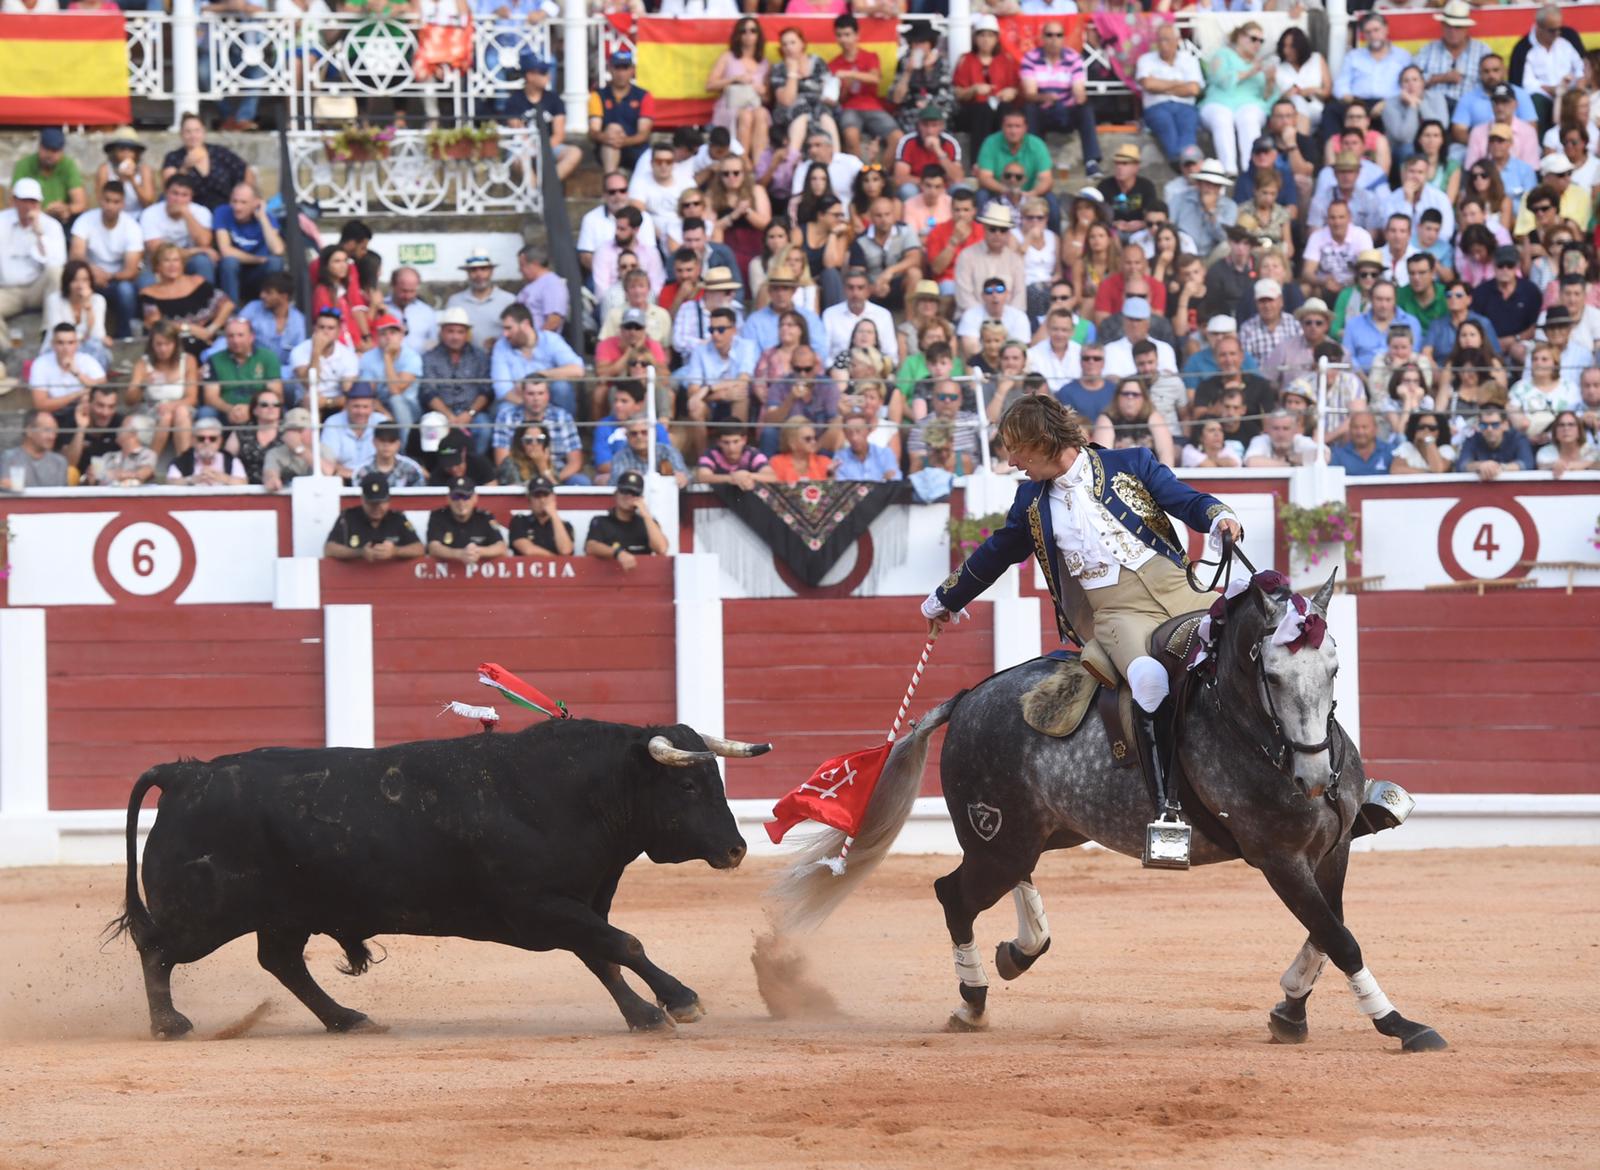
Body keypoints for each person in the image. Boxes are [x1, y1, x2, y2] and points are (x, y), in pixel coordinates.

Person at [925, 394, 1241, 822]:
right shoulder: (1032, 503)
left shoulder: (1131, 462)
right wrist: (947, 597)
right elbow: (997, 553)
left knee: (1259, 645)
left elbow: (1183, 499)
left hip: (1181, 588)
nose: (1014, 460)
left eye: (1017, 449)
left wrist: (1217, 514)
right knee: (1147, 681)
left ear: (1042, 441)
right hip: (1116, 613)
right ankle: (1169, 811)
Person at [1019, 19, 1101, 178]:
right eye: (1049, 35)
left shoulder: (1074, 58)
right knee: (1029, 109)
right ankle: (1035, 163)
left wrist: (1079, 96)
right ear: (1042, 38)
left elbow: (1078, 90)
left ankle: (1092, 162)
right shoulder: (1031, 58)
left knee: (1085, 109)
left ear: (1064, 38)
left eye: (1058, 35)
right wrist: (1046, 97)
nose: (1054, 39)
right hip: (1042, 109)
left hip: (1066, 110)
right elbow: (1029, 93)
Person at [0, 178, 68, 352]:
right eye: (25, 201)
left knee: (56, 272)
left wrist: (40, 235)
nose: (29, 206)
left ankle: (48, 336)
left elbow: (58, 263)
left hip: (37, 288)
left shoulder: (51, 226)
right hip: (8, 290)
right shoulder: (2, 222)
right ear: (14, 201)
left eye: (33, 201)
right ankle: (8, 351)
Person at [69, 183, 142, 341]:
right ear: (100, 200)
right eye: (107, 200)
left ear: (123, 204)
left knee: (126, 291)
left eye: (116, 202)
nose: (110, 206)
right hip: (88, 276)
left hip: (116, 279)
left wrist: (108, 276)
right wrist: (92, 273)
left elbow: (131, 270)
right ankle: (75, 335)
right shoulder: (85, 220)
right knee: (73, 283)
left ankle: (125, 337)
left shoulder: (132, 227)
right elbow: (76, 255)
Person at [1199, 23, 1271, 180]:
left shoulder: (1261, 64)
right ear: (1240, 37)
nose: (1257, 44)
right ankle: (1228, 170)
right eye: (1253, 38)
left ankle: (1250, 169)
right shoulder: (1222, 54)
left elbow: (1267, 97)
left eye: (1261, 40)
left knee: (1249, 117)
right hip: (1219, 101)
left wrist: (1271, 80)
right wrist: (1249, 72)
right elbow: (1221, 79)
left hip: (1251, 105)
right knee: (1222, 117)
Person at [418, 306, 492, 444]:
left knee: (484, 428)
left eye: (460, 332)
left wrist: (469, 414)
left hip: (472, 413)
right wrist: (449, 416)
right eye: (450, 331)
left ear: (467, 334)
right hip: (440, 413)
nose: (455, 336)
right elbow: (428, 392)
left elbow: (486, 391)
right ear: (442, 332)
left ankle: (473, 464)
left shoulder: (479, 356)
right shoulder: (430, 357)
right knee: (431, 427)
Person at [951, 14, 1019, 163]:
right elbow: (957, 92)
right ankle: (980, 163)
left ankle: (1007, 162)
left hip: (998, 108)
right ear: (975, 38)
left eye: (990, 35)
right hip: (972, 112)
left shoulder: (1006, 60)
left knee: (1006, 111)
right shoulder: (966, 59)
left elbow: (1016, 87)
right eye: (982, 35)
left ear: (996, 39)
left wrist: (1011, 92)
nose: (986, 40)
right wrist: (973, 90)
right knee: (982, 111)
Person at [1135, 23, 1203, 167]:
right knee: (1166, 127)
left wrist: (1161, 86)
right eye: (1159, 40)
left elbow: (1194, 89)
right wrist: (1178, 83)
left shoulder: (1189, 59)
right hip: (1157, 107)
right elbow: (1148, 85)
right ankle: (1184, 164)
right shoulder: (1146, 59)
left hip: (1185, 107)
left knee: (1188, 129)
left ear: (1177, 40)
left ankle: (1186, 162)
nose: (1163, 44)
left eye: (1167, 39)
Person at [506, 55, 582, 183]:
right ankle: (535, 191)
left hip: (549, 146)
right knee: (519, 158)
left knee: (574, 152)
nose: (548, 76)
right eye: (543, 72)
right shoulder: (514, 101)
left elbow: (559, 135)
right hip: (522, 147)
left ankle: (547, 185)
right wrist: (531, 148)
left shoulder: (554, 99)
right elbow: (518, 131)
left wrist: (541, 148)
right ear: (529, 76)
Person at [1511, 4, 1585, 131]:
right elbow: (1525, 84)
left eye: (1559, 28)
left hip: (1571, 93)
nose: (1557, 33)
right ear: (1539, 27)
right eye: (1552, 30)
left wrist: (1578, 87)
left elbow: (1583, 66)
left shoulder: (1569, 36)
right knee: (1535, 102)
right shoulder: (1523, 48)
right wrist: (1552, 90)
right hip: (1543, 96)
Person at [212, 182, 285, 310]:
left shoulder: (267, 218)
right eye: (234, 201)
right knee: (229, 262)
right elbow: (226, 251)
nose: (237, 207)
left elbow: (278, 250)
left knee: (275, 262)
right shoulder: (223, 212)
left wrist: (262, 218)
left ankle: (266, 310)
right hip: (231, 273)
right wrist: (257, 259)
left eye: (243, 202)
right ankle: (232, 313)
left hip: (257, 275)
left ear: (256, 203)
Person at [323, 472, 424, 562]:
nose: (376, 508)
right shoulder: (348, 517)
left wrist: (395, 551)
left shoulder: (397, 518)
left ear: (388, 500)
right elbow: (330, 548)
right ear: (362, 500)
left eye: (380, 503)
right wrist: (360, 552)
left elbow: (419, 548)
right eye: (371, 504)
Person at [203, 316, 283, 428]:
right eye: (231, 336)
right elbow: (210, 397)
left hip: (259, 409)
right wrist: (230, 409)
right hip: (225, 411)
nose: (235, 340)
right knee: (206, 413)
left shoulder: (268, 357)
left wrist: (251, 409)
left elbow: (276, 394)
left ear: (251, 337)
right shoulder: (214, 360)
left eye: (240, 335)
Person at [1471, 246, 1542, 366]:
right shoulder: (1481, 292)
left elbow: (1535, 325)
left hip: (1522, 342)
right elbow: (1475, 325)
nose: (1505, 270)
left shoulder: (1530, 291)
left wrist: (1515, 339)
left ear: (1517, 266)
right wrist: (1494, 343)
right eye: (1500, 265)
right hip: (1488, 344)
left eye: (1510, 265)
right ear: (1494, 265)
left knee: (1519, 350)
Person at [588, 50, 656, 174]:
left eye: (625, 68)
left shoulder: (644, 96)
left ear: (632, 70)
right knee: (613, 129)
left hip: (636, 149)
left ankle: (610, 182)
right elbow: (594, 130)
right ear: (610, 69)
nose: (621, 73)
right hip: (606, 147)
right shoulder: (597, 95)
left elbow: (644, 134)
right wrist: (608, 138)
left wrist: (621, 141)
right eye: (617, 68)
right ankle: (611, 181)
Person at [585, 469, 668, 567]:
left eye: (634, 493)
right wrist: (617, 553)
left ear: (640, 498)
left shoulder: (648, 523)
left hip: (642, 578)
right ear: (616, 494)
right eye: (624, 491)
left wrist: (646, 515)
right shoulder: (600, 521)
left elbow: (661, 549)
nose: (628, 496)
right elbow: (591, 547)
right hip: (608, 579)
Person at [11, 127, 86, 226]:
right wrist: (43, 212)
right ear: (39, 147)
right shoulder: (25, 165)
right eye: (46, 149)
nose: (49, 155)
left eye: (54, 151)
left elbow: (80, 203)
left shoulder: (68, 165)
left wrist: (66, 209)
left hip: (61, 221)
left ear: (62, 151)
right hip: (30, 219)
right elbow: (13, 202)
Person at [289, 308, 358, 413]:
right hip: (305, 405)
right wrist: (316, 351)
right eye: (321, 327)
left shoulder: (348, 355)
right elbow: (309, 384)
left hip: (336, 404)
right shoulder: (299, 351)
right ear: (314, 328)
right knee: (310, 399)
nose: (325, 332)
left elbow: (348, 393)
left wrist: (327, 402)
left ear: (338, 332)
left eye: (330, 328)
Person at [444, 253, 517, 351]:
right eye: (473, 270)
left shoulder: (508, 300)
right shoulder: (455, 301)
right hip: (466, 361)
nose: (479, 275)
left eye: (483, 269)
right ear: (467, 273)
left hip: (501, 357)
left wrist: (499, 342)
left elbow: (517, 333)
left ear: (491, 272)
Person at [426, 477, 508, 563]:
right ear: (448, 499)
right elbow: (433, 548)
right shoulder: (438, 516)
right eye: (456, 497)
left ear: (475, 498)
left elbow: (501, 547)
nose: (461, 502)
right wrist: (460, 554)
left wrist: (478, 552)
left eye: (466, 497)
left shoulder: (485, 517)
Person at [94, 128, 158, 218]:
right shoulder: (104, 169)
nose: (126, 153)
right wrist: (120, 180)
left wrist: (132, 180)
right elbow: (103, 201)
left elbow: (148, 203)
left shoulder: (144, 170)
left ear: (136, 153)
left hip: (139, 217)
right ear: (114, 151)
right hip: (113, 218)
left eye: (131, 150)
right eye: (122, 149)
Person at [505, 475, 575, 557]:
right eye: (537, 496)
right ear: (529, 500)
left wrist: (554, 514)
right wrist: (555, 560)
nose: (542, 500)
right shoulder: (519, 521)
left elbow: (565, 550)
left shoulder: (565, 525)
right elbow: (528, 550)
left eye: (546, 495)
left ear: (553, 498)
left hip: (559, 570)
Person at [1456, 406, 1534, 478]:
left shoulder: (1517, 438)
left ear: (1505, 425)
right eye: (1484, 425)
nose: (1489, 429)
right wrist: (1480, 466)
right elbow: (1461, 464)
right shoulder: (1472, 439)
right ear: (1479, 426)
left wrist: (1500, 467)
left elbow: (1527, 463)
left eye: (1495, 425)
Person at [166, 415, 246, 485]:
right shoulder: (181, 461)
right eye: (201, 438)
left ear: (220, 441)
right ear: (193, 440)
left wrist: (223, 478)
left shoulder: (231, 460)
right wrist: (192, 480)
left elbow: (244, 482)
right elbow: (170, 482)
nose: (206, 442)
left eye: (212, 439)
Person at [0, 411, 68, 489]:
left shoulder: (60, 462)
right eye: (47, 430)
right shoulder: (9, 458)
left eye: (55, 431)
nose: (52, 437)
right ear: (29, 431)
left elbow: (64, 498)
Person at [832, 412, 902, 481]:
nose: (854, 438)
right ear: (845, 435)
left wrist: (889, 479)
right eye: (849, 432)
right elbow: (841, 487)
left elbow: (895, 481)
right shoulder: (840, 458)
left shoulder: (885, 454)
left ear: (868, 431)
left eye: (858, 431)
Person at [1328, 408, 1395, 476]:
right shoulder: (1338, 455)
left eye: (1364, 427)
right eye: (1355, 427)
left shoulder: (1391, 452)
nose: (1360, 432)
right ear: (1350, 430)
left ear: (1375, 429)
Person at [1387, 410, 1455, 475]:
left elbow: (1438, 470)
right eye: (1421, 427)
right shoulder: (1407, 447)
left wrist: (1429, 440)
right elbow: (1395, 470)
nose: (1426, 431)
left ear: (1440, 431)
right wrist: (1427, 473)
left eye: (1432, 428)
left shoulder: (1445, 449)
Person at [390, 267, 438, 355]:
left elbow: (433, 342)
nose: (407, 296)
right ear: (393, 285)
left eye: (412, 291)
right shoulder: (381, 308)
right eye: (403, 291)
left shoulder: (426, 312)